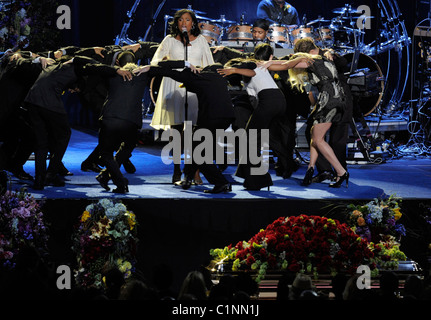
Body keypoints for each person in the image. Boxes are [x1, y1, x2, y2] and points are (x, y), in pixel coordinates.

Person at [24, 55, 132, 190]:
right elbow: (96, 67)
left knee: (40, 142)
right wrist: (116, 70)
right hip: (49, 102)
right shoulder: (76, 67)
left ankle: (39, 180)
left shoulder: (52, 65)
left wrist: (39, 58)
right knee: (64, 135)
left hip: (31, 101)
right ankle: (51, 174)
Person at [261, 40, 349, 188]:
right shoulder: (324, 58)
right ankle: (311, 168)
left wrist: (266, 64)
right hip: (336, 98)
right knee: (315, 134)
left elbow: (286, 65)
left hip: (329, 100)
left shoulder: (307, 60)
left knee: (319, 139)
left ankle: (341, 172)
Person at [150, 9, 214, 184]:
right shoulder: (169, 40)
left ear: (193, 23)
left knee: (197, 132)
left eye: (188, 19)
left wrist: (202, 72)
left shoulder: (201, 41)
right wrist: (175, 66)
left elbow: (210, 65)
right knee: (176, 132)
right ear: (176, 23)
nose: (184, 23)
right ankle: (177, 169)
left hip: (195, 88)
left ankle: (194, 171)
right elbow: (155, 62)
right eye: (180, 20)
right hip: (174, 86)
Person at [217, 47, 289, 191]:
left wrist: (234, 70)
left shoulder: (249, 64)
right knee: (257, 139)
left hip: (269, 100)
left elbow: (251, 70)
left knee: (249, 140)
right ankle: (247, 173)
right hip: (278, 101)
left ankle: (259, 179)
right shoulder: (256, 73)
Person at [294, 38, 353, 184]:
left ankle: (340, 172)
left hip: (341, 99)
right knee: (312, 131)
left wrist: (332, 53)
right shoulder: (310, 61)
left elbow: (344, 64)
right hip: (325, 101)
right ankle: (325, 170)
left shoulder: (326, 55)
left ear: (310, 51)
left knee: (337, 140)